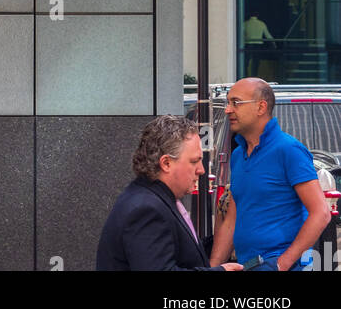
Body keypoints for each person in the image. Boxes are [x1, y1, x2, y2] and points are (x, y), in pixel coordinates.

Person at [210, 78, 330, 271]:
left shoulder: (289, 150)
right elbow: (232, 218)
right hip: (246, 265)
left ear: (261, 107)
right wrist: (213, 268)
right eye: (228, 103)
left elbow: (321, 213)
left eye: (236, 102)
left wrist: (282, 264)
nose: (227, 110)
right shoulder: (239, 154)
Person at [96, 115, 242, 272]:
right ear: (166, 163)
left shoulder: (152, 198)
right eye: (194, 161)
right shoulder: (146, 209)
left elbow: (183, 252)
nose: (201, 170)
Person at [243, 12, 275, 77]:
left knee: (246, 63)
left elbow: (241, 35)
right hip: (258, 45)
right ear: (257, 15)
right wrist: (273, 43)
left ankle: (245, 76)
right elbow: (268, 35)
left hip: (248, 44)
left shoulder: (245, 23)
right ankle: (254, 76)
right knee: (256, 62)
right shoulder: (261, 24)